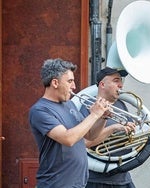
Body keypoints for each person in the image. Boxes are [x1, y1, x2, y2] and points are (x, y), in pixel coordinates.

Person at [29, 58, 111, 188]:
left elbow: (90, 135)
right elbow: (68, 138)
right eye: (70, 81)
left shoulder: (69, 104)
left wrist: (102, 118)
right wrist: (94, 114)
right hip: (56, 184)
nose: (74, 87)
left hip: (77, 184)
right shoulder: (40, 110)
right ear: (55, 83)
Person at [80, 67, 136, 188]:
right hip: (96, 179)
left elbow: (131, 136)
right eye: (116, 81)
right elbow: (85, 142)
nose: (120, 85)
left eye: (121, 81)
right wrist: (113, 128)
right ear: (102, 84)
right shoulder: (88, 106)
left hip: (122, 177)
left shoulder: (121, 105)